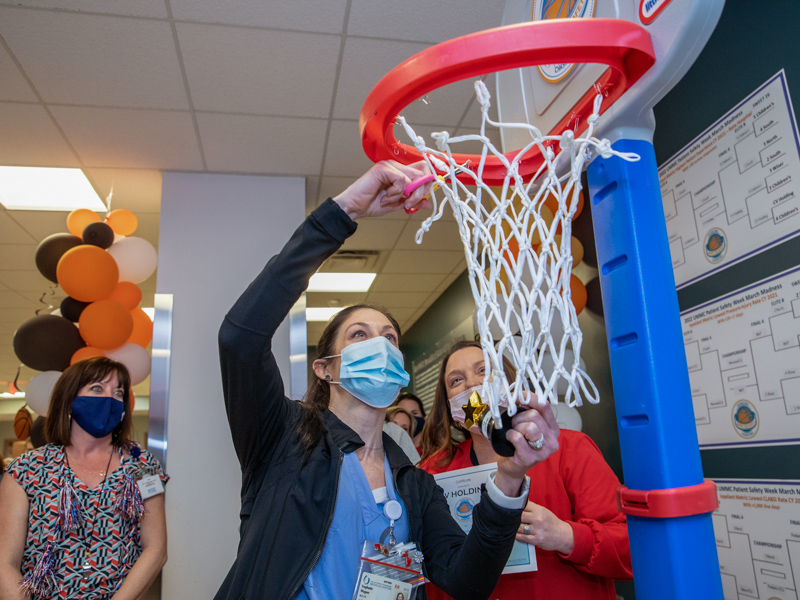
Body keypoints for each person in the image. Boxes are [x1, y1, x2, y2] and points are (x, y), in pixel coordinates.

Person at [214, 160, 562, 600]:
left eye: (389, 338)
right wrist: (342, 213)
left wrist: (510, 477)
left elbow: (466, 581)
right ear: (326, 368)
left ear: (399, 372)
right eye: (360, 335)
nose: (378, 345)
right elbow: (239, 339)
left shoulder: (415, 483)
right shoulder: (282, 439)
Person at [420, 340, 633, 600]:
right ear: (450, 407)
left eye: (483, 370)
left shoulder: (569, 449)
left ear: (509, 383)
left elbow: (633, 548)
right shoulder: (435, 471)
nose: (472, 385)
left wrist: (566, 536)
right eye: (456, 381)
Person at [0, 357, 168, 600]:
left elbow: (156, 549)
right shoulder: (26, 469)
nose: (110, 399)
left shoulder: (142, 466)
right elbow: (6, 561)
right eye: (97, 388)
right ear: (69, 400)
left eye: (118, 392)